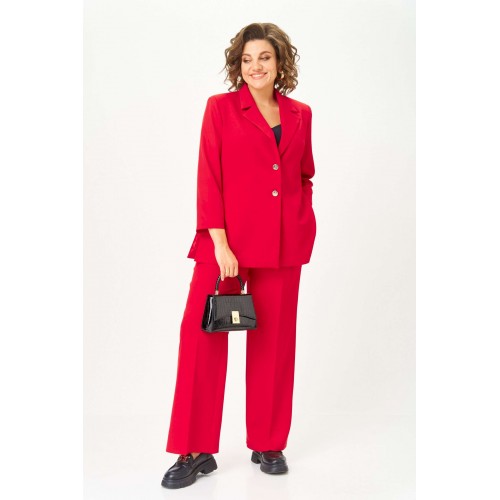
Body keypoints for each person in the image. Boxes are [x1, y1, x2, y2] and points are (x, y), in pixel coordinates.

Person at [161, 22, 317, 489]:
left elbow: (304, 174)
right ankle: (195, 450)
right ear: (238, 64)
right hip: (224, 245)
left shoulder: (301, 114)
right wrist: (221, 242)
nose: (255, 66)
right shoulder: (221, 108)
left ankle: (268, 442)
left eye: (264, 57)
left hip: (283, 245)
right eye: (247, 59)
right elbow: (209, 175)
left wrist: (302, 219)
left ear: (280, 62)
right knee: (201, 341)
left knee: (275, 345)